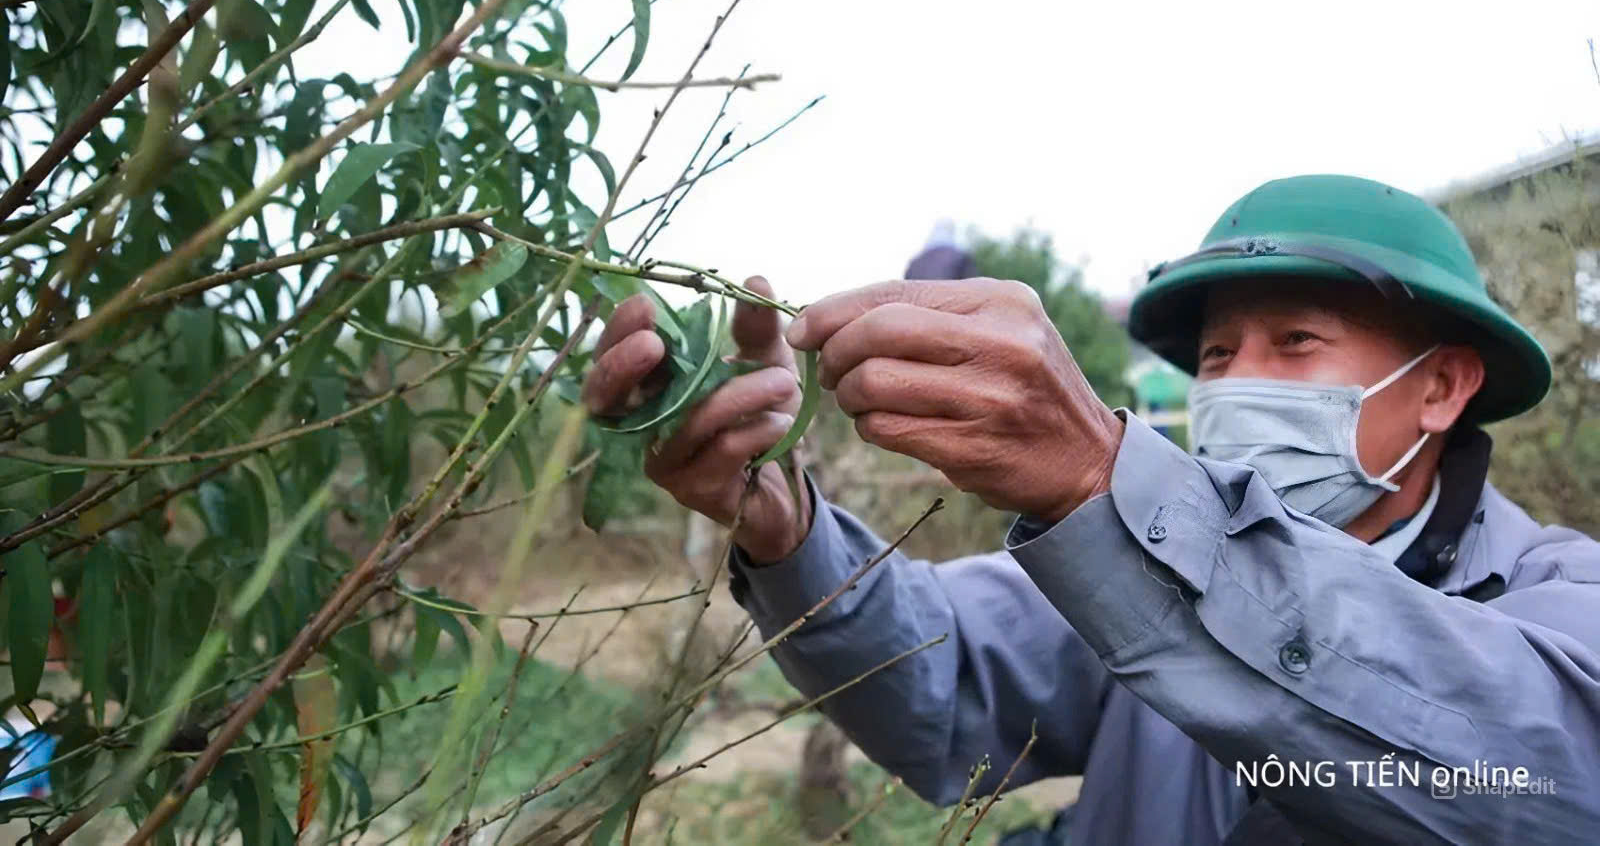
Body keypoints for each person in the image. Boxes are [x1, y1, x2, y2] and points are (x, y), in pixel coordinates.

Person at [580, 175, 1600, 844]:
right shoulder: (1118, 583)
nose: (1237, 381)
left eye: (1295, 340)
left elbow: (1544, 777)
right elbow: (943, 674)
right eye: (1214, 353)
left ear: (1441, 386)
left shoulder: (1555, 597)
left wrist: (1103, 478)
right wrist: (783, 523)